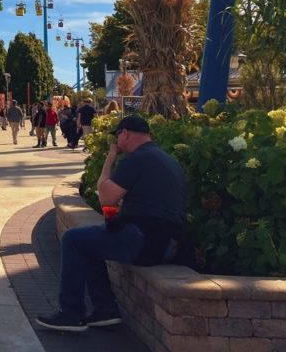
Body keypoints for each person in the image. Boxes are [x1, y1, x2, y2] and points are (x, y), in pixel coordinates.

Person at [37, 115, 188, 333]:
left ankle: (71, 313)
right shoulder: (166, 158)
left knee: (73, 240)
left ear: (125, 133)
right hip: (170, 243)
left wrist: (110, 159)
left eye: (118, 136)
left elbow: (106, 197)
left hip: (146, 242)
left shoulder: (136, 159)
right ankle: (105, 310)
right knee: (91, 243)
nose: (117, 142)